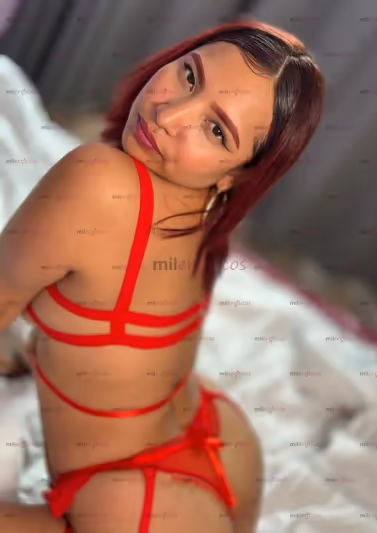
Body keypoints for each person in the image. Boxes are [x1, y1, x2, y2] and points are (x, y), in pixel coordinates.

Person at [0, 19, 324, 533]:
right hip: (223, 444)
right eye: (190, 76)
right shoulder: (208, 214)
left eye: (216, 130)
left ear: (233, 175)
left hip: (136, 503)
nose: (170, 115)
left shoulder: (96, 180)